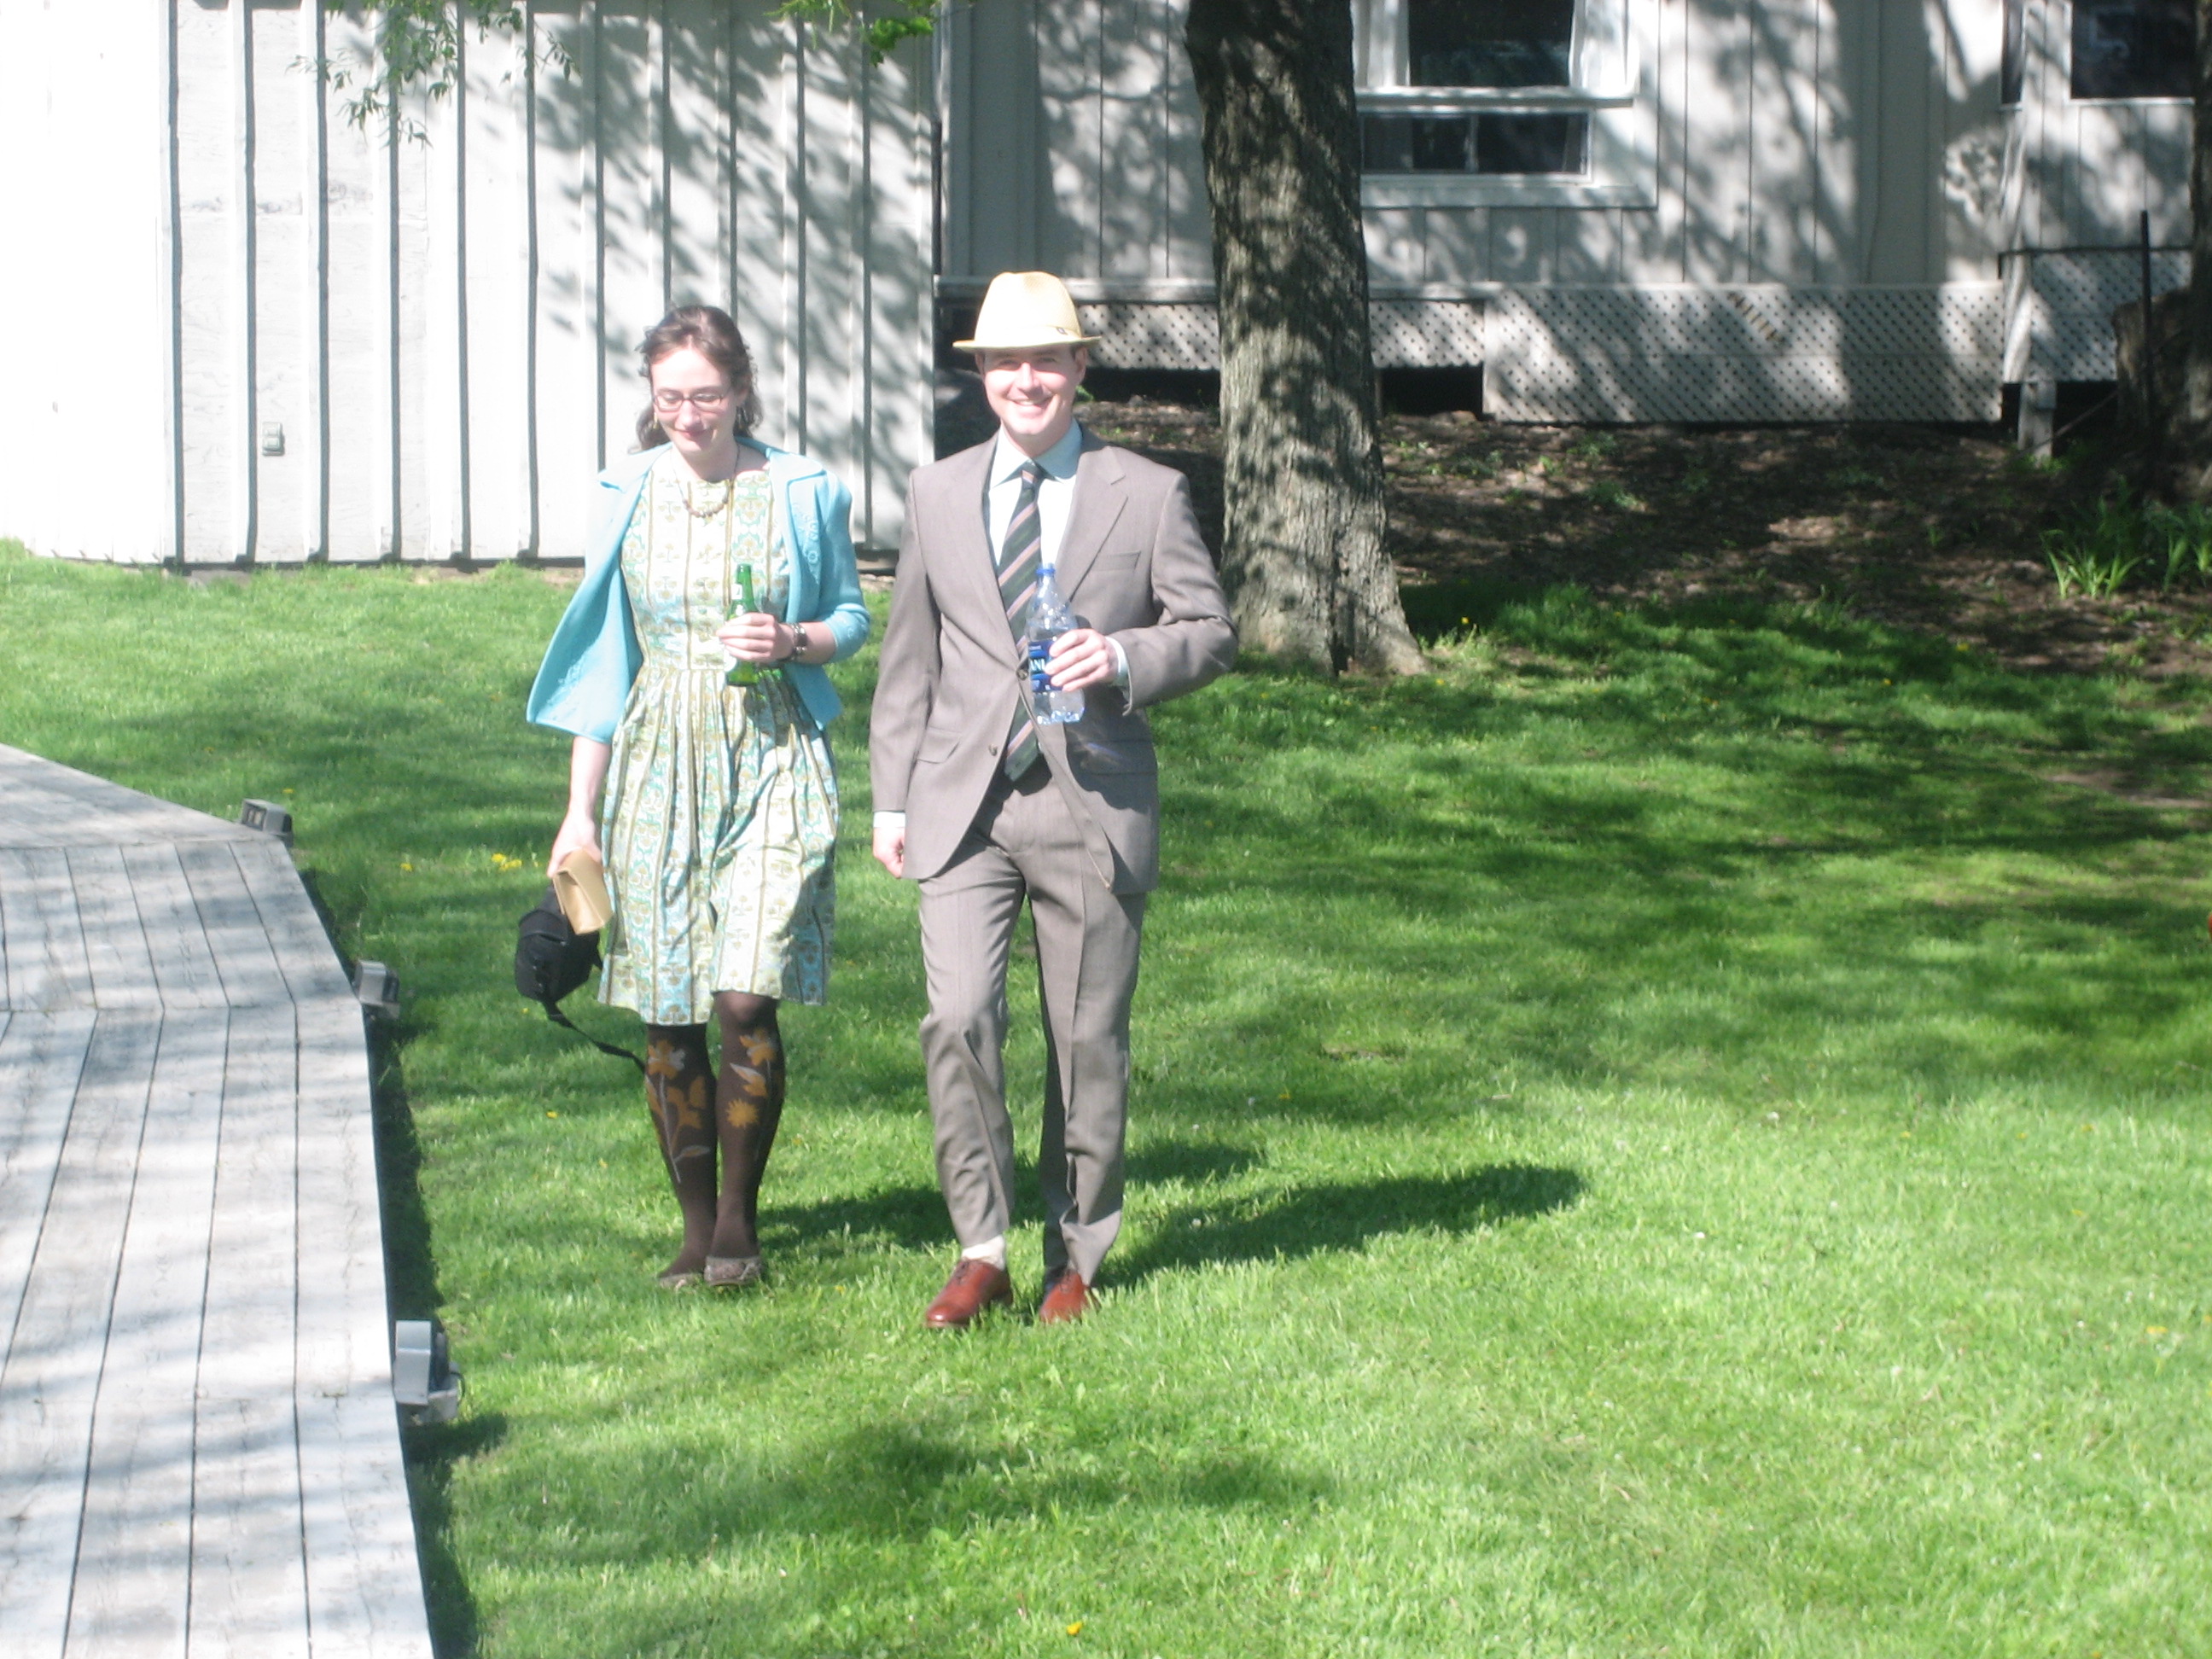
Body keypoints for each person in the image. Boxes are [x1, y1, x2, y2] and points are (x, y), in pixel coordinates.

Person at [870, 271, 1236, 1328]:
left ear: (1079, 367)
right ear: (982, 375)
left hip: (1093, 803)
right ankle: (980, 1248)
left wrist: (1120, 656)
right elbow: (909, 660)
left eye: (1045, 360)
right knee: (957, 1018)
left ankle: (1075, 1255)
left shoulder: (1147, 491)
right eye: (1004, 363)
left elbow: (1210, 631)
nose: (1024, 380)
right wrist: (891, 801)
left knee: (1087, 1041)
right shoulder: (937, 492)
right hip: (963, 805)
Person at [527, 305, 870, 1291]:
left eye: (707, 395)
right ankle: (691, 1231)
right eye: (670, 396)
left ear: (741, 391)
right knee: (669, 1010)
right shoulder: (625, 493)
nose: (689, 414)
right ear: (652, 396)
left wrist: (794, 640)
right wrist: (579, 814)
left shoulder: (803, 489)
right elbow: (604, 664)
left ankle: (737, 1226)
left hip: (773, 756)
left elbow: (851, 617)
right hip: (655, 762)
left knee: (744, 995)